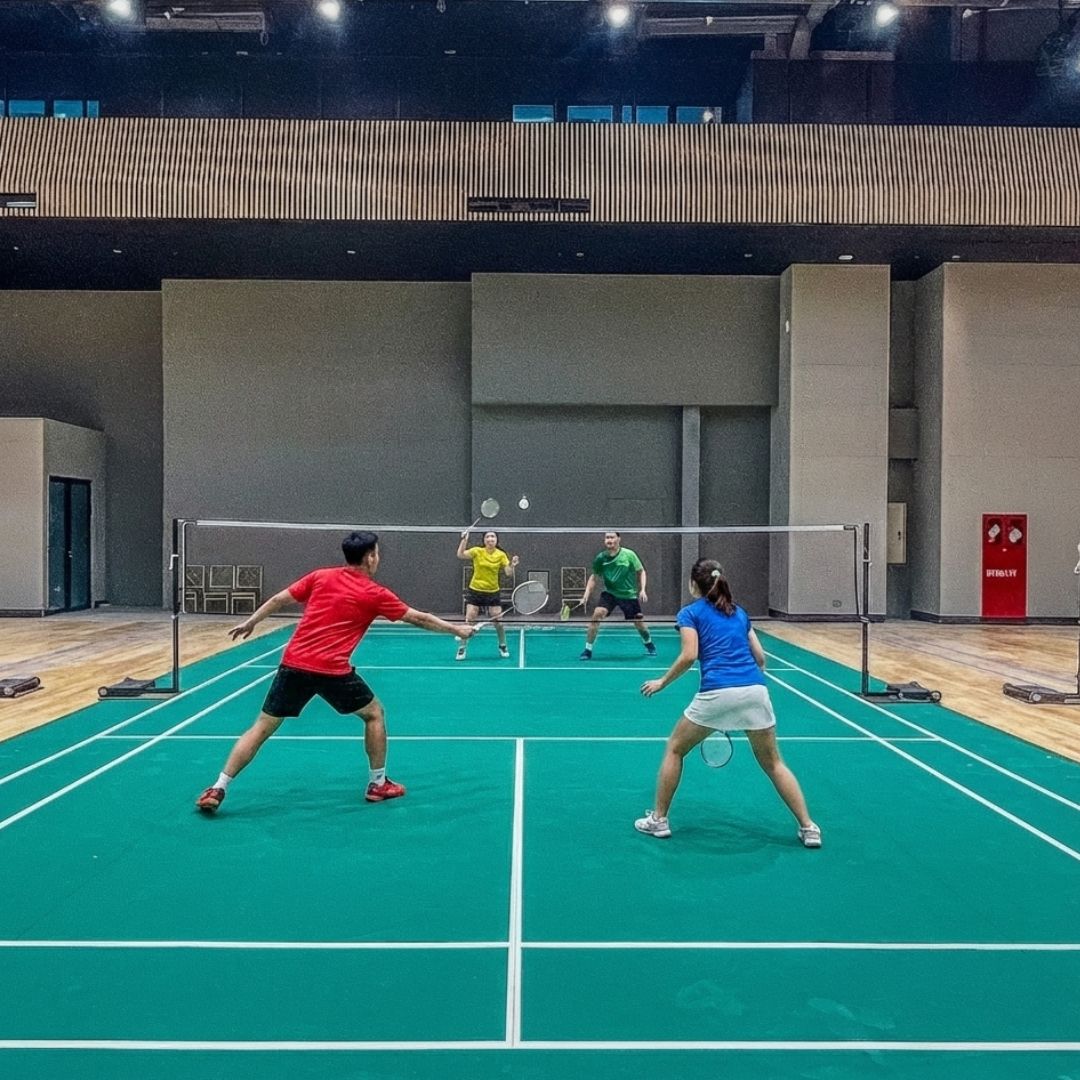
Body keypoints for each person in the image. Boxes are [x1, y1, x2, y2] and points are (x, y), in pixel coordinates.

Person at [194, 530, 475, 813]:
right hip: (332, 670)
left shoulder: (320, 577)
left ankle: (218, 787)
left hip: (294, 664)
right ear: (370, 557)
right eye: (377, 553)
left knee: (262, 727)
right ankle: (378, 784)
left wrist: (251, 622)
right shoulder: (375, 594)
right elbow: (418, 618)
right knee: (374, 714)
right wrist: (458, 629)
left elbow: (280, 599)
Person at [634, 558, 821, 848]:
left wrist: (661, 682)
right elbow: (760, 658)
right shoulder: (740, 613)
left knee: (675, 748)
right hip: (755, 691)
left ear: (694, 585)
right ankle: (809, 828)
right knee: (773, 763)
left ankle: (659, 820)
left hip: (717, 692)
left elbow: (688, 655)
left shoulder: (689, 614)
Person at [579, 531, 656, 660]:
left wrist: (643, 589)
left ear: (618, 539)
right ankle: (587, 650)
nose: (609, 540)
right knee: (597, 614)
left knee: (639, 622)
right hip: (610, 593)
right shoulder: (601, 558)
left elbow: (641, 571)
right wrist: (586, 594)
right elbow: (594, 577)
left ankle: (649, 643)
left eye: (612, 537)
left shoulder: (629, 555)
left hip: (628, 595)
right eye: (606, 537)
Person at [455, 529, 519, 660]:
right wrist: (464, 539)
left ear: (496, 540)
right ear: (484, 540)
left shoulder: (501, 555)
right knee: (470, 619)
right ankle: (462, 648)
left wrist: (512, 565)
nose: (490, 539)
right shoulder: (477, 551)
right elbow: (460, 555)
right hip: (475, 590)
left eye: (493, 536)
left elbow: (508, 573)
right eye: (488, 537)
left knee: (498, 621)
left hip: (492, 592)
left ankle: (502, 645)